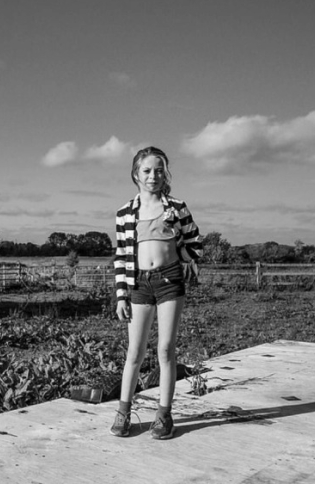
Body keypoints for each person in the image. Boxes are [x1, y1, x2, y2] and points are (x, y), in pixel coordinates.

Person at [110, 146, 201, 440]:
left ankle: (164, 415)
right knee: (134, 352)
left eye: (159, 170)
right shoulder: (124, 213)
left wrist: (185, 259)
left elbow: (194, 244)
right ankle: (124, 413)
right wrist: (121, 294)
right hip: (138, 284)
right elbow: (123, 256)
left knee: (165, 349)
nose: (153, 176)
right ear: (136, 174)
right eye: (147, 171)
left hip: (169, 281)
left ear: (166, 174)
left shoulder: (176, 207)